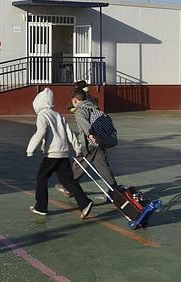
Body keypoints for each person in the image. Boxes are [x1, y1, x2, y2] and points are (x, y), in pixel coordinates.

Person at [26, 88, 94, 219]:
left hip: (52, 154)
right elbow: (69, 132)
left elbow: (40, 132)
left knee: (41, 179)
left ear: (39, 103)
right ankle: (85, 203)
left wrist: (30, 148)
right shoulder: (58, 115)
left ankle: (41, 207)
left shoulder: (42, 116)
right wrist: (77, 147)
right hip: (63, 153)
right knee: (68, 181)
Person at [56, 89, 118, 198]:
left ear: (75, 100)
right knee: (103, 166)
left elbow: (85, 125)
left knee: (78, 165)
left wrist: (90, 136)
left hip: (88, 143)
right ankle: (114, 189)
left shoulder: (80, 110)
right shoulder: (95, 107)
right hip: (99, 142)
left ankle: (68, 187)